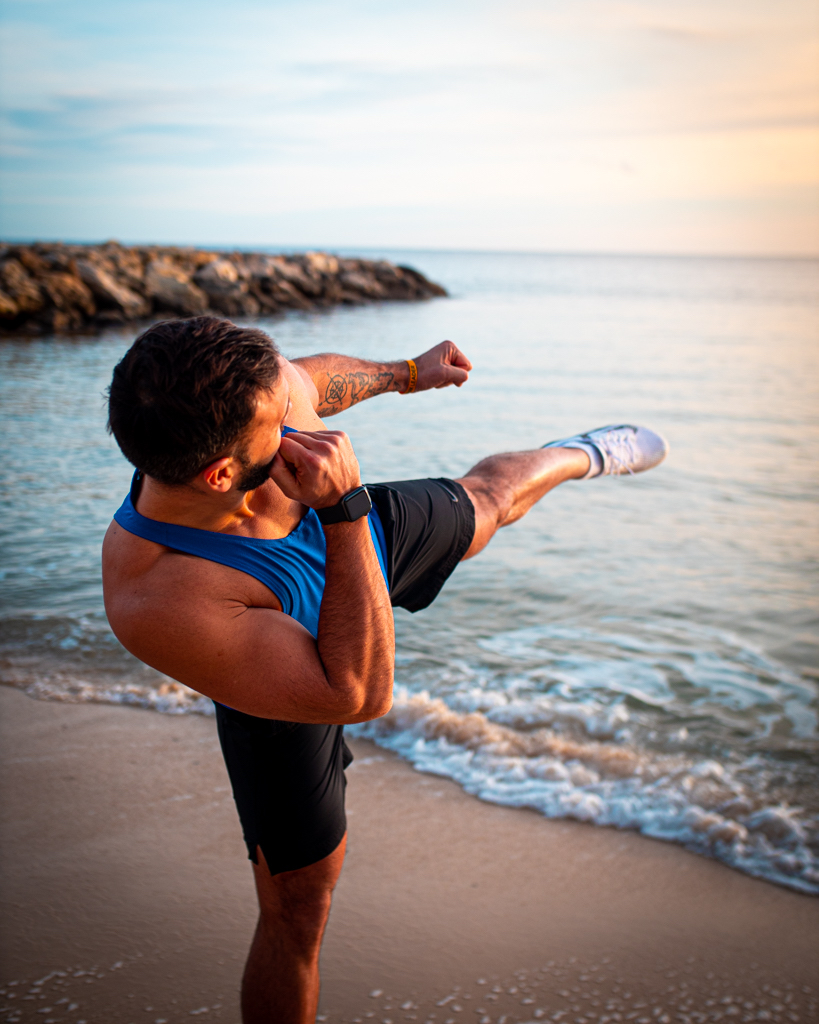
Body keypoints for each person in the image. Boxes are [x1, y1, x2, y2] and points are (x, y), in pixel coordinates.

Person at [102, 315, 668, 1024]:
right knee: (298, 908)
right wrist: (342, 506)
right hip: (278, 663)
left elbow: (312, 380)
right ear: (220, 475)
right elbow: (357, 694)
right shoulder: (157, 595)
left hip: (349, 527)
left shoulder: (249, 394)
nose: (303, 424)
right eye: (282, 428)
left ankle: (581, 453)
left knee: (488, 501)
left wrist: (407, 374)